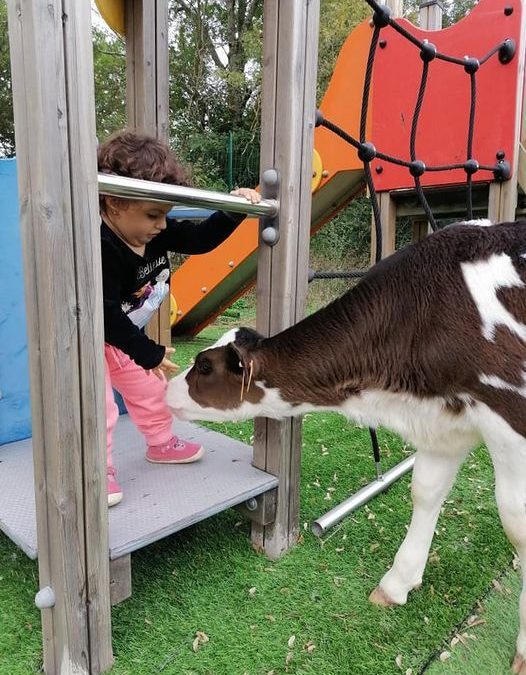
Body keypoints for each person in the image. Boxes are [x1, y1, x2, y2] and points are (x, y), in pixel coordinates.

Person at [98, 130, 261, 506]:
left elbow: (201, 241)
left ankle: (160, 443)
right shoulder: (102, 245)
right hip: (92, 332)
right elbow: (103, 313)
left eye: (166, 214)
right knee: (100, 407)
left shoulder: (156, 232)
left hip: (124, 335)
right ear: (115, 202)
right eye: (153, 214)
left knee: (150, 391)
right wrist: (148, 352)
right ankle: (98, 469)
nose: (161, 224)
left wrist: (233, 211)